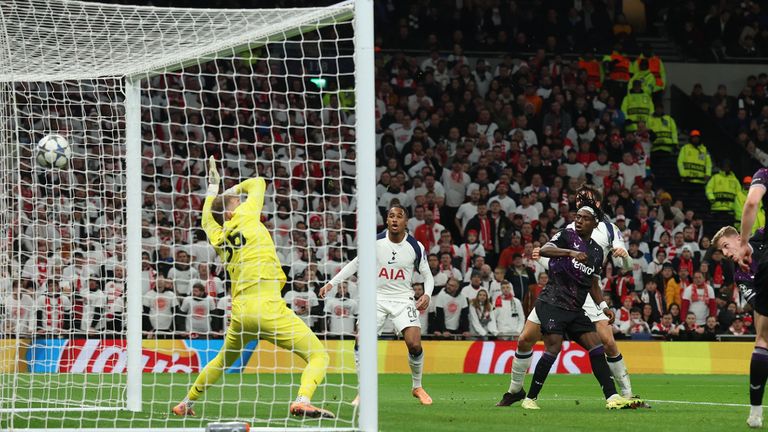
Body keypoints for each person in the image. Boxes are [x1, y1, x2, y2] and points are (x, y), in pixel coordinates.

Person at [174, 157, 334, 419]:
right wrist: (229, 190)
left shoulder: (218, 236)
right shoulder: (245, 216)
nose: (240, 201)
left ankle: (186, 402)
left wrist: (213, 190)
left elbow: (206, 220)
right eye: (236, 201)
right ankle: (302, 400)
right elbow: (258, 182)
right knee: (318, 355)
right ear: (230, 212)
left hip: (240, 312)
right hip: (267, 306)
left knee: (222, 361)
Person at [498, 185, 642, 406]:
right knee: (525, 339)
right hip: (557, 292)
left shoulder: (610, 230)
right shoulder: (570, 229)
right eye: (578, 200)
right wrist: (543, 257)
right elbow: (550, 253)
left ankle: (626, 395)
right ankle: (516, 390)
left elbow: (624, 267)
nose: (580, 202)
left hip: (586, 291)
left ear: (597, 204)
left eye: (585, 198)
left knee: (606, 342)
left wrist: (624, 257)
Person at [320, 204, 435, 406]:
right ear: (387, 220)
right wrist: (332, 283)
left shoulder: (415, 246)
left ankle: (417, 386)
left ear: (406, 221)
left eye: (399, 216)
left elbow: (428, 276)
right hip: (377, 298)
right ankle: (363, 391)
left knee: (414, 344)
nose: (394, 219)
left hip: (403, 299)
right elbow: (355, 264)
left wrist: (427, 294)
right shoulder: (375, 242)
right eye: (391, 216)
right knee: (362, 340)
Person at [713, 223, 768, 428]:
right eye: (722, 251)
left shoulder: (761, 236)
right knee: (762, 333)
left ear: (739, 239)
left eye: (726, 246)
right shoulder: (741, 275)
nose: (726, 254)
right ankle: (755, 411)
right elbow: (757, 304)